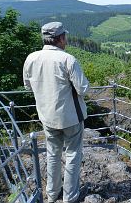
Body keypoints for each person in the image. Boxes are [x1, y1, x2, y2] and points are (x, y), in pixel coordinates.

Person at [23, 22, 89, 203]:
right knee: (73, 154)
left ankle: (52, 194)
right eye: (64, 36)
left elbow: (28, 85)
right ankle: (70, 197)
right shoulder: (68, 59)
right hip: (71, 117)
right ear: (60, 38)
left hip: (47, 116)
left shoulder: (31, 58)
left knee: (52, 154)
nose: (66, 39)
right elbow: (83, 89)